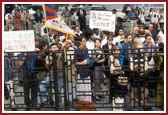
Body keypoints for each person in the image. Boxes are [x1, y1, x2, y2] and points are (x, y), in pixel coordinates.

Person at [39, 43, 63, 110]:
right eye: (53, 47)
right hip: (51, 74)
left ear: (58, 48)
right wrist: (47, 64)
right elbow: (47, 68)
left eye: (56, 47)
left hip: (59, 75)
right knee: (42, 85)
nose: (54, 49)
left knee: (58, 90)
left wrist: (62, 47)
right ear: (50, 49)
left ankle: (59, 104)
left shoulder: (61, 54)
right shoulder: (48, 56)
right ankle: (44, 99)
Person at [129, 38, 148, 109]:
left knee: (142, 89)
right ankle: (132, 104)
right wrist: (135, 69)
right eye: (140, 42)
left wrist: (143, 69)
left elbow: (146, 66)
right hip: (135, 75)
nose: (142, 44)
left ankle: (144, 104)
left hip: (142, 74)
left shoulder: (144, 56)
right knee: (134, 89)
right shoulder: (132, 56)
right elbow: (131, 67)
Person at [74, 36, 91, 102]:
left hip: (87, 70)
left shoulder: (86, 49)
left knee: (87, 87)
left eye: (85, 41)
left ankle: (88, 102)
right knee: (81, 88)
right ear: (80, 42)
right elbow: (75, 62)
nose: (85, 43)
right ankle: (82, 102)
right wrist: (82, 63)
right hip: (81, 71)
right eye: (83, 41)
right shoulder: (77, 50)